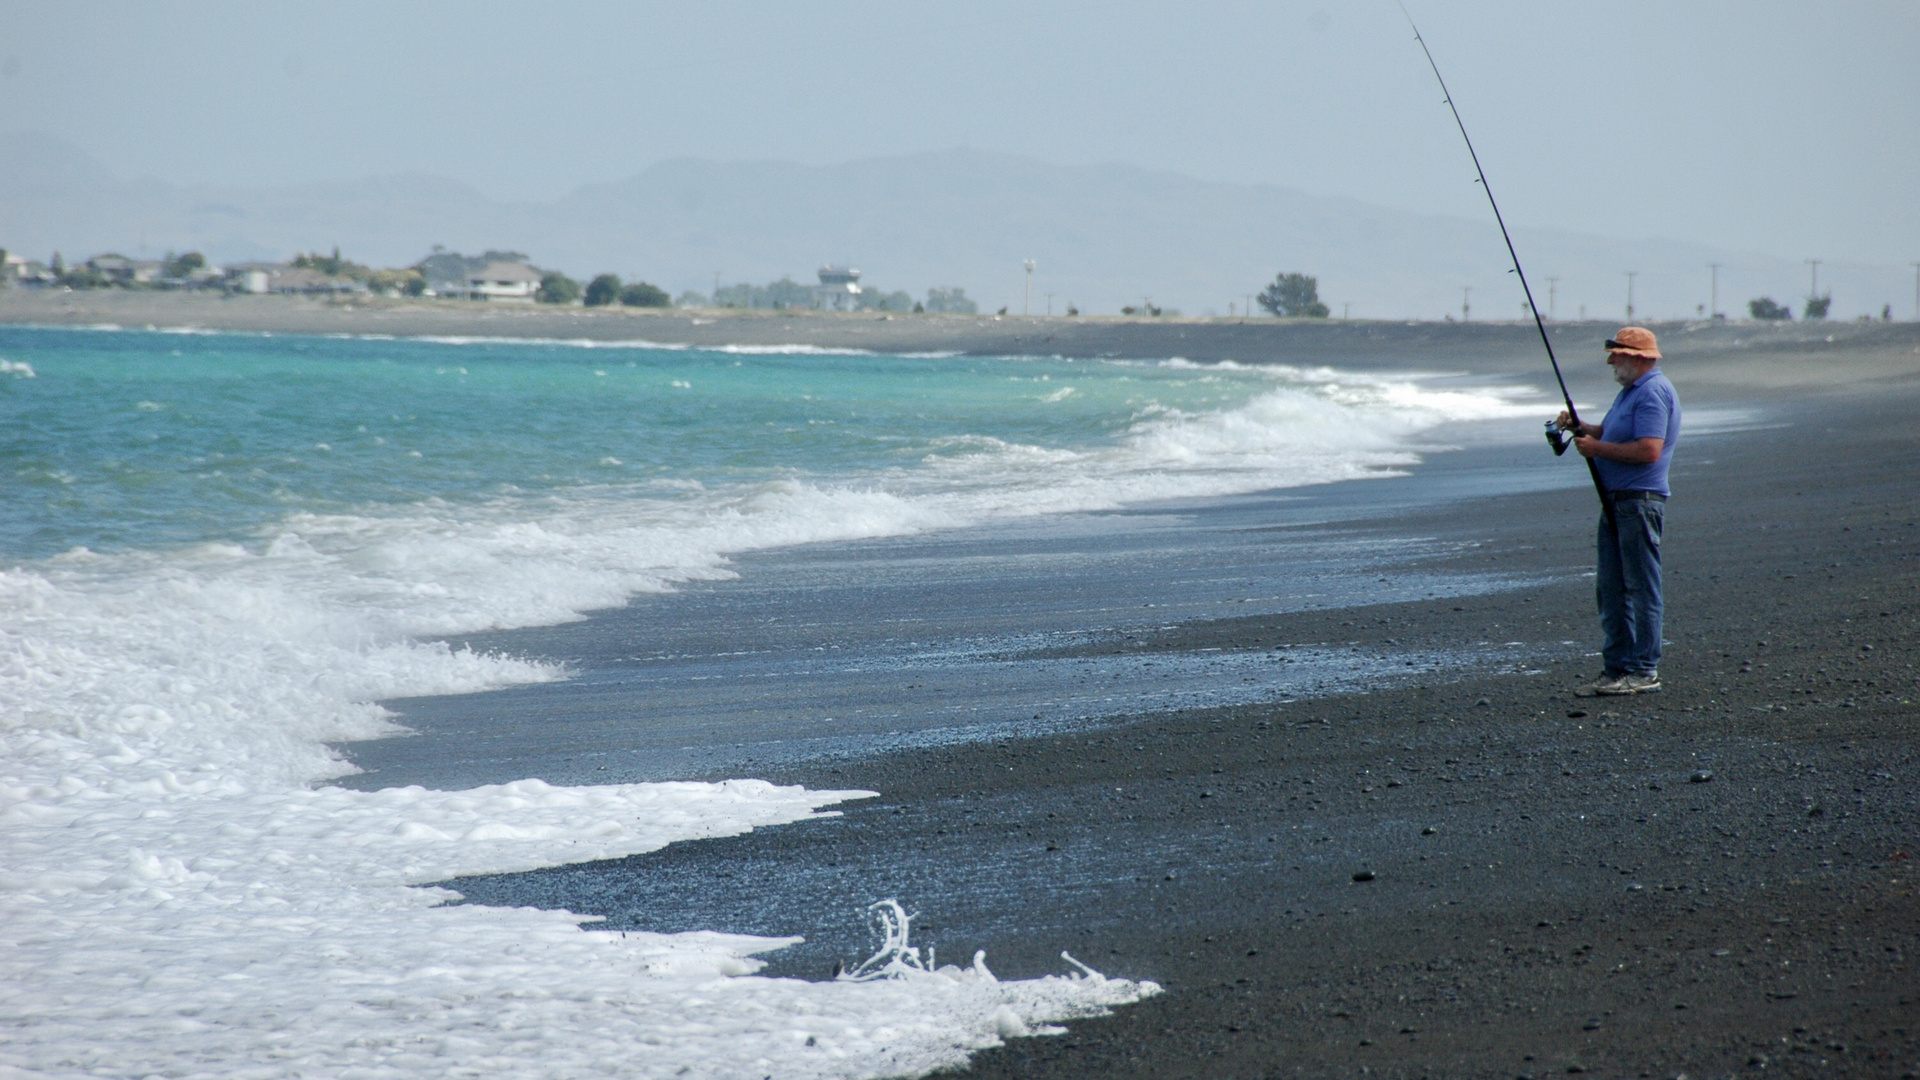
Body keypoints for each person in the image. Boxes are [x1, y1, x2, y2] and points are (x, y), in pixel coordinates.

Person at [1556, 326, 1681, 696]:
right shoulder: (1630, 393)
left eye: (1618, 354)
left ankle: (1644, 671)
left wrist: (1596, 450)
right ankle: (1617, 669)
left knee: (1641, 587)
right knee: (1611, 589)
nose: (1611, 360)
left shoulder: (1653, 394)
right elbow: (1611, 435)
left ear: (1639, 358)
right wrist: (1581, 429)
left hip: (1639, 501)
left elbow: (1648, 451)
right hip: (1617, 501)